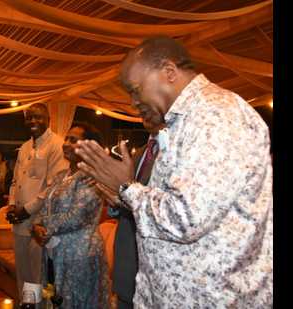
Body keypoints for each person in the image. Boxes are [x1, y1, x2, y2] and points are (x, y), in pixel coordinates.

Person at [75, 36, 273, 307]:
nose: (133, 102)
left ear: (169, 72)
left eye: (135, 89)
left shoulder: (217, 115)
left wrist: (128, 187)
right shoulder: (182, 123)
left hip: (213, 299)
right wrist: (125, 194)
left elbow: (186, 218)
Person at [31, 122, 110, 309]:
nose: (65, 143)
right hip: (54, 253)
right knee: (53, 299)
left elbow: (78, 216)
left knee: (75, 302)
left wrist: (45, 226)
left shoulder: (93, 176)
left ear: (89, 146)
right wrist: (36, 225)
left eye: (73, 140)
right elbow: (46, 207)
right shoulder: (61, 176)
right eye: (66, 138)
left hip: (79, 254)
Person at [6, 103, 68, 306]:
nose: (33, 121)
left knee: (37, 276)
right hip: (20, 221)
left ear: (48, 119)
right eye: (29, 117)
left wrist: (27, 210)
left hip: (39, 224)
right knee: (23, 274)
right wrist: (12, 205)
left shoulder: (57, 145)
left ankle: (37, 306)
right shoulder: (24, 147)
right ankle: (26, 305)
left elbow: (53, 186)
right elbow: (15, 180)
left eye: (38, 117)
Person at [98, 120, 165, 309]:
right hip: (127, 263)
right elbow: (126, 198)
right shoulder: (139, 154)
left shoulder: (179, 152)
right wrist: (114, 203)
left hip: (157, 270)